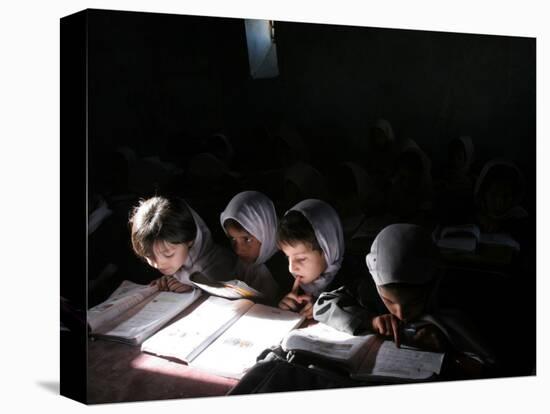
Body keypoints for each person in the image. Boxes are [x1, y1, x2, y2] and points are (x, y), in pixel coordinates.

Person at [313, 223, 496, 374]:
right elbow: (324, 303)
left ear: (433, 285)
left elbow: (489, 365)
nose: (400, 313)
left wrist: (447, 348)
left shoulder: (454, 298)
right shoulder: (368, 290)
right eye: (389, 302)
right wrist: (370, 320)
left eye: (414, 302)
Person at [129, 195, 236, 292]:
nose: (158, 264)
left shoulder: (222, 266)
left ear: (190, 240)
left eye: (168, 254)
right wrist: (169, 280)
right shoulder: (175, 262)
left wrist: (194, 289)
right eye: (148, 256)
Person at [277, 199, 345, 319]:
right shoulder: (286, 282)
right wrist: (287, 308)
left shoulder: (354, 284)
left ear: (329, 249)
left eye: (301, 259)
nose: (291, 268)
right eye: (287, 257)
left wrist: (324, 308)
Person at [220, 191, 286, 304]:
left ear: (266, 232)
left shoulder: (283, 270)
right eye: (232, 239)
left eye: (247, 239)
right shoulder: (244, 261)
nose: (238, 249)